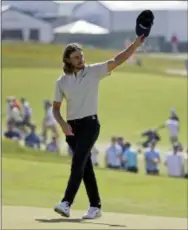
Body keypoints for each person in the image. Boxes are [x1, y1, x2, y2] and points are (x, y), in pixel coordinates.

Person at [52, 35, 145, 219]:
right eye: (76, 57)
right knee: (85, 167)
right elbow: (55, 109)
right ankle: (95, 206)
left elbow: (118, 60)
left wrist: (135, 45)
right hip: (71, 129)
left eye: (82, 56)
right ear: (68, 60)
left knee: (78, 162)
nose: (81, 60)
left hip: (90, 125)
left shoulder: (94, 71)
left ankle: (66, 203)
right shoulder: (61, 82)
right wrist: (63, 125)